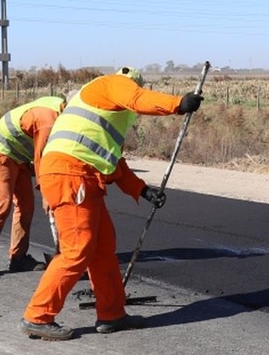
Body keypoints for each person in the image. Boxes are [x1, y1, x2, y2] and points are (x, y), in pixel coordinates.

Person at [20, 67, 203, 340]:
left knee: (103, 247)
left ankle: (112, 314)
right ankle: (38, 316)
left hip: (85, 176)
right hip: (69, 173)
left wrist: (142, 190)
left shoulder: (103, 117)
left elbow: (113, 161)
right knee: (76, 251)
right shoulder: (114, 84)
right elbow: (137, 98)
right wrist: (177, 104)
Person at [0, 94, 67, 280]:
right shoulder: (48, 121)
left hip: (19, 156)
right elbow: (42, 160)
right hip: (1, 151)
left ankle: (18, 258)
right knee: (2, 204)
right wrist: (47, 193)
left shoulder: (61, 109)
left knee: (26, 205)